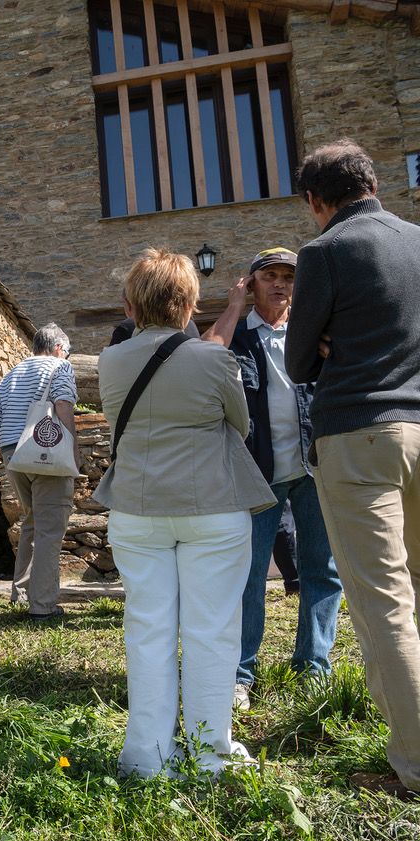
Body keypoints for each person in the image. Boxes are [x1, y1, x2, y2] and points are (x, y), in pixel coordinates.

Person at [95, 248, 274, 779]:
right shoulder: (215, 359)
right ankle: (209, 752)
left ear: (131, 304)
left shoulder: (111, 359)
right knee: (213, 629)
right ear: (190, 302)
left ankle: (147, 755)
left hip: (136, 508)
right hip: (211, 507)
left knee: (147, 628)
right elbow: (239, 425)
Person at [285, 140, 420, 798]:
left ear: (316, 201)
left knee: (384, 604)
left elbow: (299, 363)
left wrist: (332, 341)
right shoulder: (419, 241)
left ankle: (416, 767)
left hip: (360, 435)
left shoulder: (325, 252)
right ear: (371, 181)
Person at [212, 247, 341, 712]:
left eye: (289, 276)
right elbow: (207, 355)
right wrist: (232, 307)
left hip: (314, 468)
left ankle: (313, 668)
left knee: (322, 571)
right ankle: (241, 674)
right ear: (252, 283)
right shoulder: (238, 337)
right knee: (248, 577)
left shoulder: (314, 335)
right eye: (270, 276)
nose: (281, 284)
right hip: (258, 475)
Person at [0, 322, 79, 619]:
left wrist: (13, 442)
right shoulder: (60, 367)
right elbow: (63, 404)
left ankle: (21, 593)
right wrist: (71, 446)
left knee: (31, 523)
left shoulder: (12, 372)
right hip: (46, 453)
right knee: (50, 530)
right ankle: (43, 607)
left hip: (13, 454)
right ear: (58, 348)